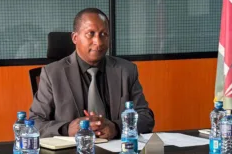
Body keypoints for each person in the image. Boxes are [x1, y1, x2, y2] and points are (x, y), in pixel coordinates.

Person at [29, 8, 155, 139]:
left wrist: (116, 127)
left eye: (104, 34)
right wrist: (67, 129)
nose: (98, 42)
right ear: (75, 38)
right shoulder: (52, 73)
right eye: (91, 34)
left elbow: (145, 117)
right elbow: (35, 123)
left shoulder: (126, 70)